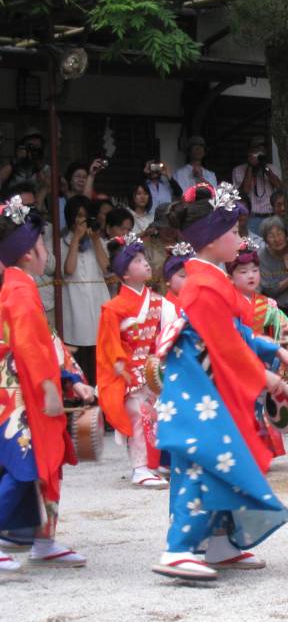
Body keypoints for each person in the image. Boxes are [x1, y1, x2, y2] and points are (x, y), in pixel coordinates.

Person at [152, 182, 288, 581]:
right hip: (199, 386)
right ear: (212, 239)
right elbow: (224, 342)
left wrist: (271, 350)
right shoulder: (201, 284)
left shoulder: (207, 279)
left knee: (220, 461)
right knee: (203, 463)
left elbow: (235, 334)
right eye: (233, 232)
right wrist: (264, 375)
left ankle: (218, 543)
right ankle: (179, 548)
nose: (240, 237)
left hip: (208, 383)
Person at [0, 197, 87, 571]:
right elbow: (28, 345)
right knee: (29, 464)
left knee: (41, 464)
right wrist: (51, 388)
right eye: (40, 246)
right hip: (20, 394)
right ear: (26, 254)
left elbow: (44, 345)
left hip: (28, 387)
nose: (45, 252)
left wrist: (69, 378)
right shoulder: (19, 291)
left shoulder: (19, 287)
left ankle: (41, 538)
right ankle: (35, 536)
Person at [96, 234, 170, 489]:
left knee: (156, 416)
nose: (146, 264)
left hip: (151, 368)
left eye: (145, 259)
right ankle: (139, 468)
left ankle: (154, 463)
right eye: (138, 261)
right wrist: (120, 365)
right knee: (140, 418)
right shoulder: (114, 308)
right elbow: (108, 343)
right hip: (129, 371)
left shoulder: (157, 301)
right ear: (125, 275)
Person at [227, 237, 288, 460]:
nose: (251, 275)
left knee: (260, 409)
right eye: (243, 271)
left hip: (263, 360)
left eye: (255, 270)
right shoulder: (228, 302)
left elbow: (282, 328)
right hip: (237, 361)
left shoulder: (268, 305)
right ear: (230, 277)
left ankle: (260, 451)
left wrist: (287, 336)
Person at [61, 195, 110, 382]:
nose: (82, 221)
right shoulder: (62, 243)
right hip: (75, 306)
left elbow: (107, 268)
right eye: (78, 216)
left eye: (85, 216)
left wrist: (96, 239)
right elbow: (69, 269)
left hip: (97, 301)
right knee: (79, 355)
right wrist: (76, 238)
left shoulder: (97, 242)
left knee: (100, 352)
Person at [233, 136, 283, 235]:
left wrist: (264, 167)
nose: (260, 151)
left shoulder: (272, 169)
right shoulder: (238, 170)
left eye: (262, 149)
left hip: (270, 217)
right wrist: (251, 167)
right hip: (251, 218)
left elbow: (280, 187)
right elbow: (244, 191)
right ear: (249, 151)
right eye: (256, 149)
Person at [258, 216, 288, 322]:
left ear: (286, 234)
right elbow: (271, 290)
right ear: (265, 240)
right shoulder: (262, 257)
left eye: (280, 233)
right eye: (271, 236)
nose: (277, 239)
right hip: (277, 310)